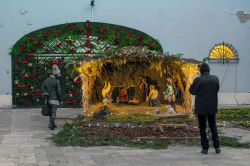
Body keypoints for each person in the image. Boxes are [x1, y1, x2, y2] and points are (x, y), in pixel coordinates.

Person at [189, 63, 221, 154]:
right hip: (212, 106)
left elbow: (192, 91)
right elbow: (216, 89)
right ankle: (217, 147)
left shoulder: (198, 79)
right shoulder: (215, 78)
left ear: (200, 71)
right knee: (213, 126)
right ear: (209, 70)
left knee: (202, 127)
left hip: (201, 107)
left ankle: (205, 148)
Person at [41, 64, 62, 130]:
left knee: (51, 111)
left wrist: (45, 92)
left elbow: (42, 87)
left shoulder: (46, 80)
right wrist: (60, 99)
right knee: (53, 112)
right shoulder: (57, 81)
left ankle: (53, 123)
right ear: (56, 74)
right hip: (54, 99)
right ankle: (50, 124)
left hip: (48, 99)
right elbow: (59, 91)